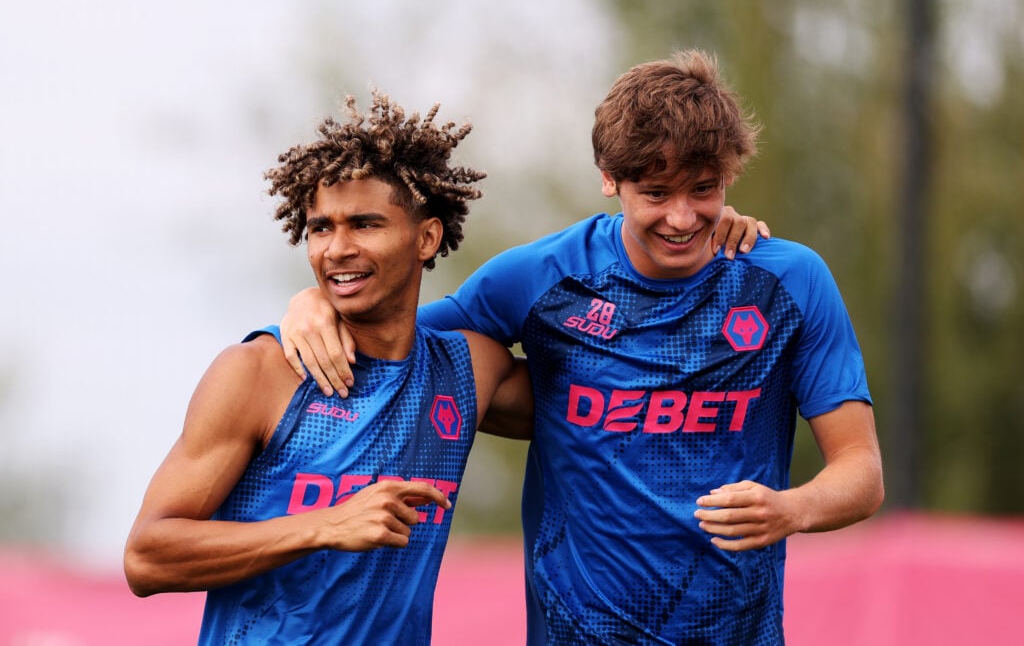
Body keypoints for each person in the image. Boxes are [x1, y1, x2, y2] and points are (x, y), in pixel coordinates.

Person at [281, 50, 884, 645]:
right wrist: (314, 305)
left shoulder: (789, 281)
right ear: (608, 178)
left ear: (730, 175)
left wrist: (792, 509)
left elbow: (862, 472)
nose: (681, 217)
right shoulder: (541, 277)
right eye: (655, 192)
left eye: (704, 189)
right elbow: (397, 340)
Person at [123, 91, 533, 645]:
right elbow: (147, 557)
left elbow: (609, 405)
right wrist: (323, 525)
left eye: (365, 224)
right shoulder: (260, 372)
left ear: (427, 238)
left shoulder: (468, 373)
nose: (336, 248)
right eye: (320, 227)